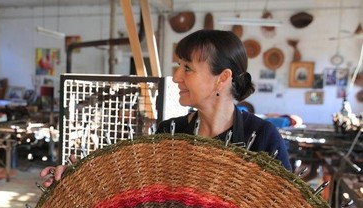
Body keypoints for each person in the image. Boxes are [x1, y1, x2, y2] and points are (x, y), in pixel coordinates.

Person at [41, 29, 291, 187]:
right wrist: (78, 179)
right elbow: (136, 189)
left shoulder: (261, 139)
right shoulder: (171, 131)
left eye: (187, 68)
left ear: (222, 78)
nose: (176, 77)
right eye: (178, 66)